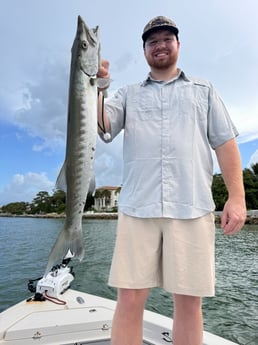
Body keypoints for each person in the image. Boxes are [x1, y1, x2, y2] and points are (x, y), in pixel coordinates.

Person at [97, 16, 246, 345]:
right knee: (130, 299)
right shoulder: (127, 94)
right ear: (145, 50)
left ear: (178, 44)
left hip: (191, 207)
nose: (160, 45)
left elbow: (225, 142)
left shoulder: (204, 89)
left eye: (167, 39)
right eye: (153, 41)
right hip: (138, 208)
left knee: (189, 303)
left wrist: (237, 197)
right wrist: (97, 86)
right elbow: (103, 126)